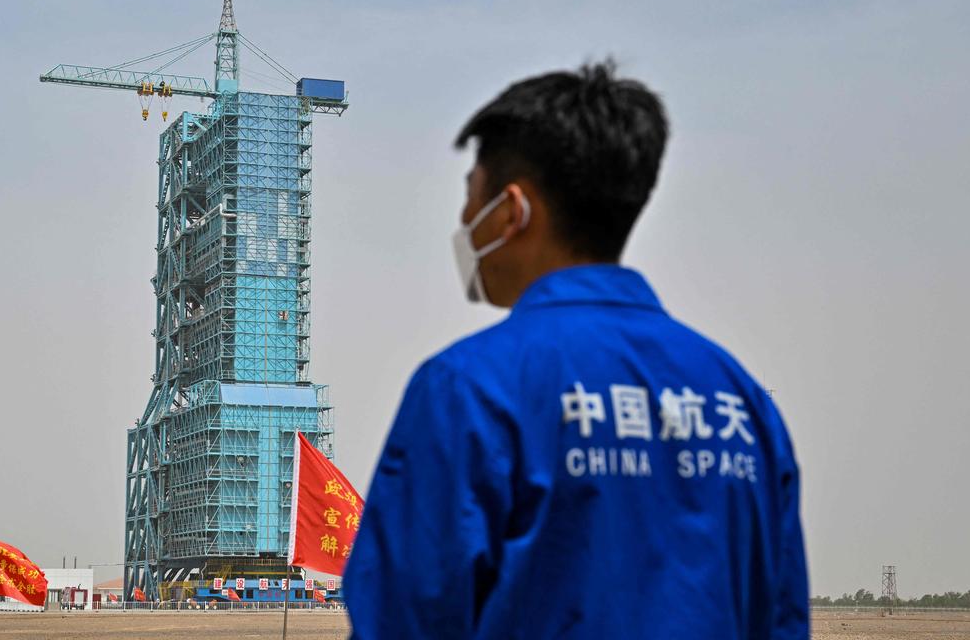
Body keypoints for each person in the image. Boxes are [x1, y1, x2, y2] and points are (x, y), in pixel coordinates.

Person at [343, 62, 808, 639]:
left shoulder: (466, 389)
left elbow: (405, 618)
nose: (464, 221)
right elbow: (781, 619)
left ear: (513, 211)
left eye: (471, 195)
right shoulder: (743, 404)